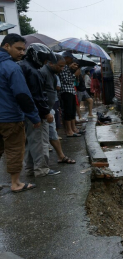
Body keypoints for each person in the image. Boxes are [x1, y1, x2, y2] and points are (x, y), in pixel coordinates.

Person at [0, 34, 40, 192]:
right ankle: (15, 183)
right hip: (10, 117)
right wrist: (34, 117)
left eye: (23, 49)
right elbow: (22, 95)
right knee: (15, 149)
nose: (22, 53)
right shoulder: (12, 68)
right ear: (6, 46)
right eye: (18, 49)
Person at [19, 43, 60, 178]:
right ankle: (42, 169)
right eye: (44, 59)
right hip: (35, 113)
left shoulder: (22, 66)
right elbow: (37, 96)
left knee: (30, 142)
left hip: (24, 113)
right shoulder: (33, 71)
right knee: (40, 141)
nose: (45, 62)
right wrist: (45, 112)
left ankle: (31, 169)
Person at [40, 53, 75, 164]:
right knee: (42, 138)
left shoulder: (53, 74)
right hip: (43, 110)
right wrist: (46, 111)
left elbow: (54, 90)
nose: (62, 69)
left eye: (63, 66)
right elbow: (39, 94)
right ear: (51, 63)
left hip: (49, 108)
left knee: (53, 133)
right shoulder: (42, 73)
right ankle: (40, 167)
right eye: (60, 66)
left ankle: (61, 156)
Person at [58, 51, 82, 137]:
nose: (71, 60)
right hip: (66, 91)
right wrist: (74, 75)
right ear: (66, 58)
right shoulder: (63, 67)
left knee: (72, 111)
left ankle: (73, 128)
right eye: (70, 58)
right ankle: (69, 131)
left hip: (71, 91)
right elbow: (66, 80)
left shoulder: (68, 68)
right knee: (67, 112)